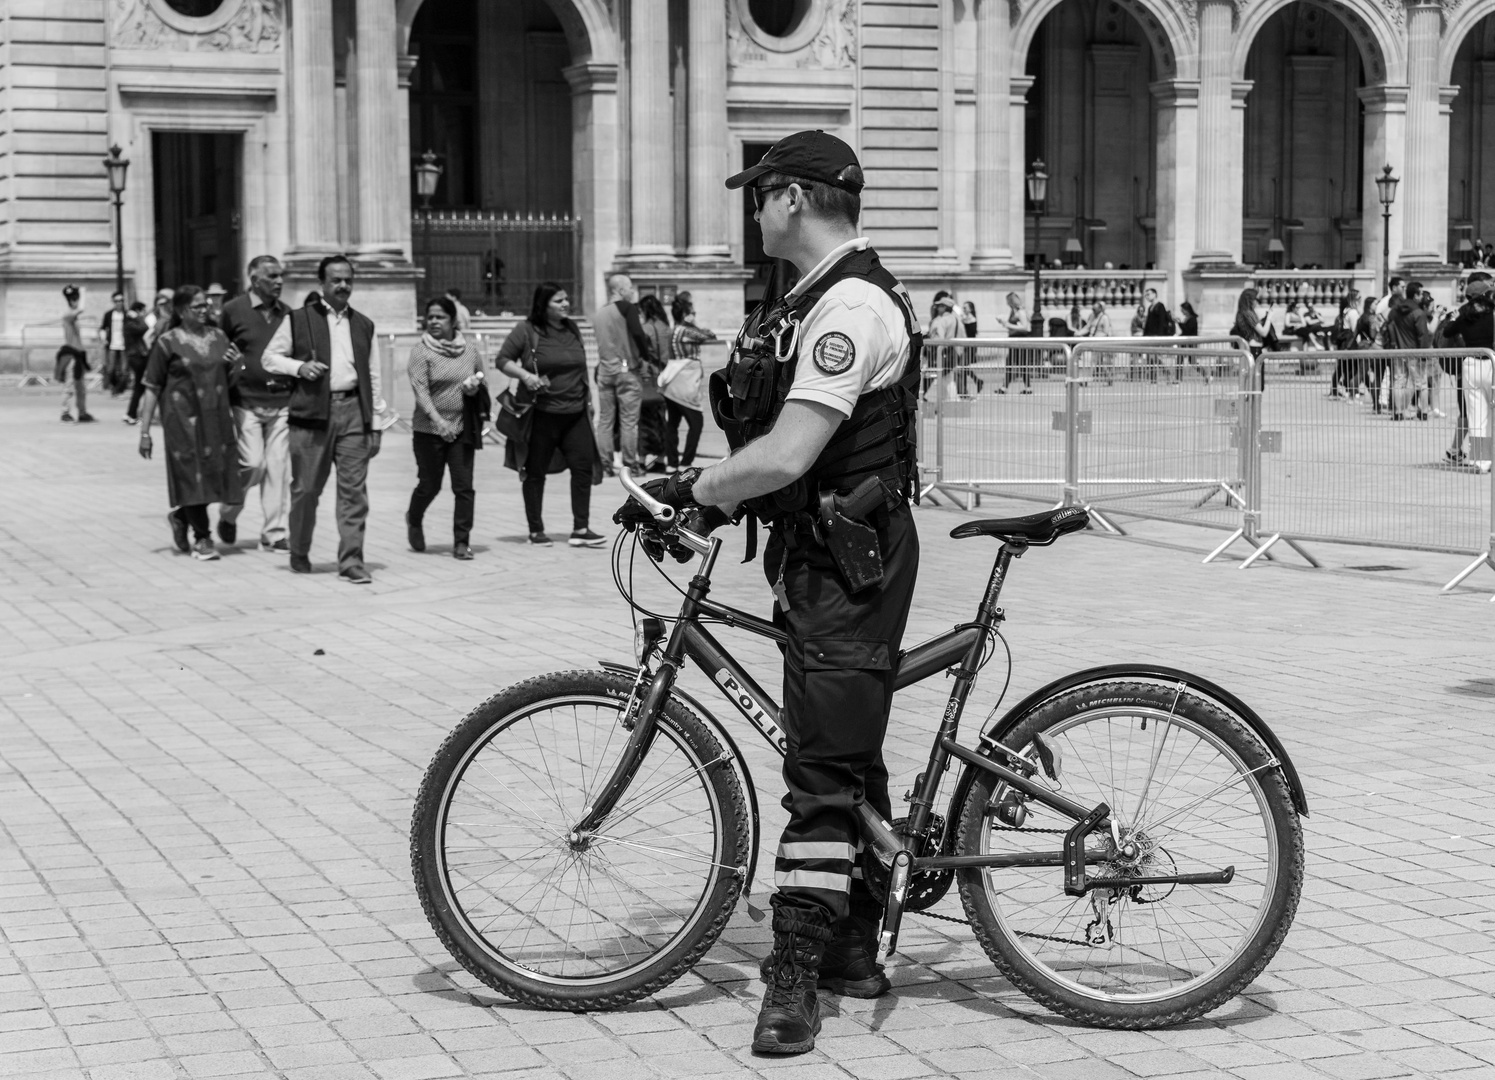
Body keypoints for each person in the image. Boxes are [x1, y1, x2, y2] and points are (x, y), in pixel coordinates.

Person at [647, 129, 922, 1056]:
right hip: (824, 553)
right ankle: (851, 945)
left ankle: (796, 975)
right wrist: (724, 503)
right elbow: (776, 440)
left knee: (820, 773)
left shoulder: (848, 308)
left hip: (851, 564)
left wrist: (695, 488)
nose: (753, 208)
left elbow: (790, 452)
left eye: (759, 192)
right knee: (840, 748)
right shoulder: (809, 300)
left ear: (794, 199)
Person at [260, 255, 397, 583]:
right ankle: (300, 549)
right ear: (321, 283)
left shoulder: (364, 324)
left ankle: (351, 561)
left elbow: (373, 376)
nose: (343, 285)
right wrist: (299, 367)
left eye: (348, 279)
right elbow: (269, 358)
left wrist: (374, 424)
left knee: (354, 492)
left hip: (353, 413)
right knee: (306, 490)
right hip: (311, 416)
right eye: (336, 280)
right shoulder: (299, 319)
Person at [135, 285, 243, 561]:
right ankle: (203, 538)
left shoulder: (219, 337)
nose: (205, 309)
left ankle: (181, 516)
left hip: (216, 418)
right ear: (182, 311)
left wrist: (238, 365)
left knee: (213, 473)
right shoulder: (167, 342)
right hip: (181, 421)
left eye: (206, 304)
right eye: (198, 306)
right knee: (192, 474)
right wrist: (145, 432)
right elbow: (151, 386)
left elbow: (228, 382)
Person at [496, 282, 607, 547]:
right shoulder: (527, 330)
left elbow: (580, 367)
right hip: (541, 414)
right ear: (543, 304)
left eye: (566, 299)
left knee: (582, 468)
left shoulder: (572, 328)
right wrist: (525, 375)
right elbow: (503, 360)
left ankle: (581, 529)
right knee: (535, 472)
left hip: (575, 412)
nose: (566, 304)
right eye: (559, 301)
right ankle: (536, 531)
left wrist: (589, 401)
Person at [216, 255, 293, 550]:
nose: (279, 281)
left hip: (282, 401)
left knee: (277, 469)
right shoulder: (232, 311)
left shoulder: (288, 314)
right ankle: (228, 513)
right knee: (253, 463)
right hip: (244, 401)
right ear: (254, 279)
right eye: (272, 276)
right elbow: (219, 349)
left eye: (280, 275)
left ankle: (274, 533)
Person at [407, 296, 485, 559]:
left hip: (462, 428)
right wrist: (439, 422)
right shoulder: (421, 351)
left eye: (440, 317)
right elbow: (420, 389)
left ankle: (462, 542)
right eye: (430, 317)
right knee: (429, 485)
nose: (434, 322)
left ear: (453, 320)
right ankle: (414, 518)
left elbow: (481, 381)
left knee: (464, 487)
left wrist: (475, 387)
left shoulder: (470, 350)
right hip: (429, 429)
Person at [592, 273, 656, 476]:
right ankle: (630, 464)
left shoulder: (599, 313)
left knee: (605, 420)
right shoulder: (627, 308)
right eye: (630, 288)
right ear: (619, 290)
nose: (632, 292)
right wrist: (645, 357)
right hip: (626, 371)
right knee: (629, 421)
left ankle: (605, 464)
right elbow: (638, 333)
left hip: (604, 371)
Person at [1438, 274, 1494, 466]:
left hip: (1470, 365)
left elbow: (1447, 332)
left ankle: (1481, 460)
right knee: (1490, 414)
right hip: (1491, 362)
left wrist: (1453, 319)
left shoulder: (1463, 314)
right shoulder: (1492, 312)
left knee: (1476, 414)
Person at [661, 294, 717, 470]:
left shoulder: (673, 329)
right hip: (684, 380)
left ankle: (671, 462)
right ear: (685, 313)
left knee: (673, 423)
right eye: (692, 312)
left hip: (672, 380)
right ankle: (686, 461)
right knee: (696, 421)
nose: (694, 315)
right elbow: (708, 336)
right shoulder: (685, 330)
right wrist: (697, 326)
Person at [636, 294, 674, 472]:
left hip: (648, 376)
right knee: (662, 419)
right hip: (664, 377)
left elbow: (640, 354)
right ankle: (661, 458)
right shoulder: (666, 327)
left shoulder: (645, 328)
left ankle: (642, 460)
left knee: (644, 420)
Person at [1385, 281, 1433, 421]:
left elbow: (1390, 324)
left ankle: (1398, 412)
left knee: (1399, 381)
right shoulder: (1418, 312)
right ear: (1416, 295)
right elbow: (1422, 335)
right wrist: (1424, 354)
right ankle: (1424, 412)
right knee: (1421, 383)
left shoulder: (1395, 311)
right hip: (1415, 352)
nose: (1422, 296)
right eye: (1420, 293)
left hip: (1399, 350)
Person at [57, 285, 94, 423]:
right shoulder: (67, 315)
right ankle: (65, 412)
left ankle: (82, 412)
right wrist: (83, 293)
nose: (76, 301)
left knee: (80, 386)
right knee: (69, 385)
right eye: (74, 299)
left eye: (76, 298)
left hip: (78, 355)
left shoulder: (72, 316)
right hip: (71, 356)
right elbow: (81, 309)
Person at [122, 301, 152, 424]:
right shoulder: (130, 324)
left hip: (137, 356)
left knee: (139, 387)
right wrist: (138, 317)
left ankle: (132, 413)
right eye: (143, 311)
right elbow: (144, 328)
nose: (144, 314)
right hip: (137, 357)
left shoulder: (130, 322)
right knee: (139, 387)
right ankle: (131, 414)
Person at [927, 294, 961, 397]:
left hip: (943, 352)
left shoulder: (942, 320)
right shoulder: (954, 318)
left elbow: (939, 337)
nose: (937, 308)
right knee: (947, 379)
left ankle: (950, 404)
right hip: (952, 350)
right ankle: (946, 404)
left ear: (945, 307)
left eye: (940, 305)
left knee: (945, 380)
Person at [1001, 291, 1032, 393]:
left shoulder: (1020, 312)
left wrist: (1008, 325)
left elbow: (1025, 327)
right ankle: (1006, 387)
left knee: (1017, 363)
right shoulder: (1015, 312)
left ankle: (1006, 387)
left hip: (1019, 341)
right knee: (1016, 363)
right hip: (1015, 341)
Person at [99, 292, 129, 396]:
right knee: (111, 368)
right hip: (112, 344)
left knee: (124, 369)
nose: (119, 303)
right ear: (113, 302)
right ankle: (113, 387)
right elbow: (102, 328)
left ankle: (120, 389)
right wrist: (104, 339)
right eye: (117, 301)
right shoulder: (109, 314)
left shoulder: (127, 314)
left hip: (124, 344)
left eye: (121, 300)